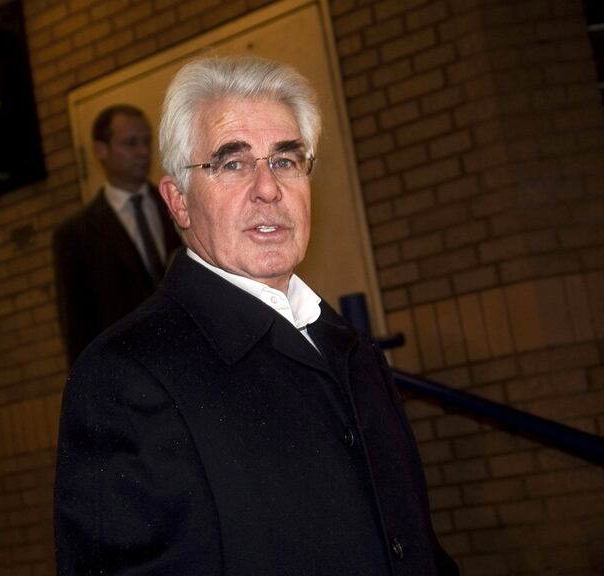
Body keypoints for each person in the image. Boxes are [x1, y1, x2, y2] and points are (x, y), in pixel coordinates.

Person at [54, 56, 459, 575]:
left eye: (286, 161)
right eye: (233, 163)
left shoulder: (350, 350)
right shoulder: (124, 379)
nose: (269, 189)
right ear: (178, 203)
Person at [53, 104, 183, 365]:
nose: (144, 152)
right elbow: (77, 325)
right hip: (128, 369)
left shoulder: (179, 204)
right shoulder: (75, 234)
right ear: (101, 151)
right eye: (130, 143)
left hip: (191, 355)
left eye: (147, 141)